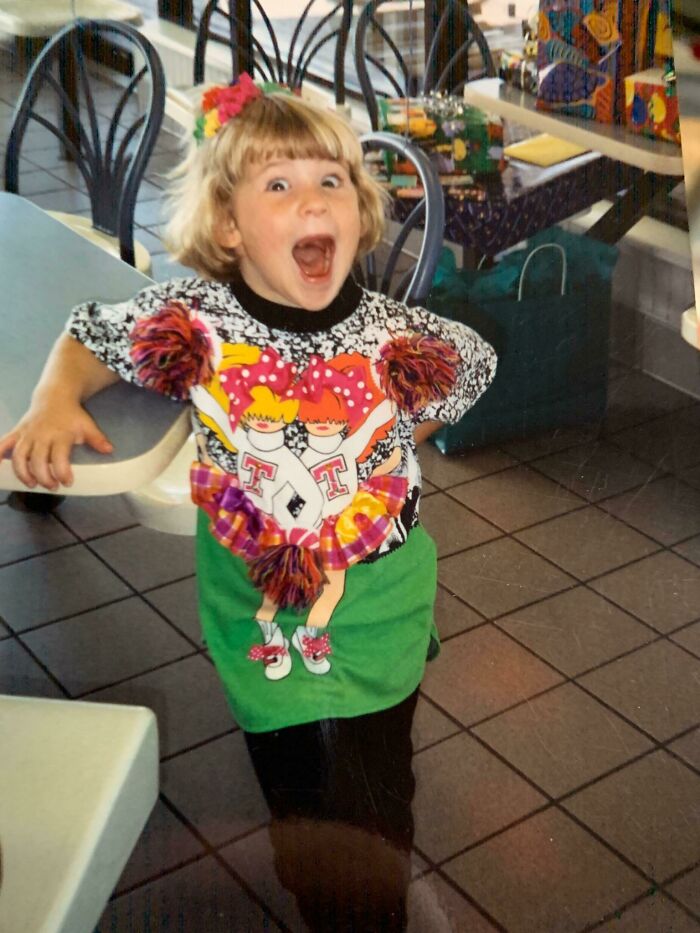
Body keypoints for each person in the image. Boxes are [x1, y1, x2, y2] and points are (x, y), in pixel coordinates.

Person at [0, 74, 496, 930]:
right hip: (255, 601)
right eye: (279, 184)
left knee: (378, 785)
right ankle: (314, 884)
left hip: (376, 599)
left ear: (358, 212)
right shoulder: (195, 323)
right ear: (229, 225)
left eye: (330, 181)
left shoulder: (391, 334)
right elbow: (90, 332)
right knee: (292, 777)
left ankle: (374, 902)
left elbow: (474, 364)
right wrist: (54, 398)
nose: (312, 199)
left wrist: (388, 449)